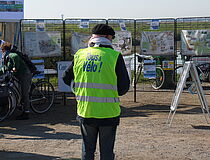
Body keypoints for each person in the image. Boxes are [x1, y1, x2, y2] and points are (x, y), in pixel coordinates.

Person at [62, 24, 130, 160]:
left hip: (85, 111)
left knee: (87, 150)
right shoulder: (114, 56)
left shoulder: (80, 55)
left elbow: (65, 78)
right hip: (108, 112)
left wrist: (78, 89)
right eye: (112, 37)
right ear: (107, 37)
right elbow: (123, 87)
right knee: (106, 152)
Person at [0, 42, 32, 120]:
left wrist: (15, 68)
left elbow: (16, 61)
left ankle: (26, 112)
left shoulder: (11, 55)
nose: (1, 51)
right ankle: (20, 104)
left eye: (2, 50)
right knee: (17, 90)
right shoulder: (6, 56)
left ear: (4, 49)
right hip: (19, 75)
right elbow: (5, 68)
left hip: (25, 75)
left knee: (25, 94)